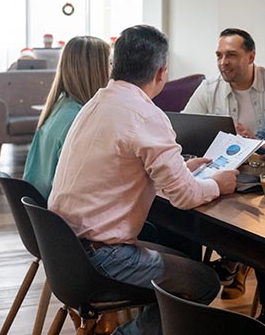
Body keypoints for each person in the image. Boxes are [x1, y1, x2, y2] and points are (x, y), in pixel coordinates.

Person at [49, 25, 238, 335]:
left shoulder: (94, 104)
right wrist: (219, 183)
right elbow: (185, 198)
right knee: (203, 282)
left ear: (114, 64)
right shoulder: (146, 115)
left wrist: (181, 169)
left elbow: (125, 169)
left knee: (179, 257)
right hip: (103, 259)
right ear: (162, 72)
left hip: (66, 251)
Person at [24, 36, 110, 199]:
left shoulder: (61, 107)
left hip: (41, 210)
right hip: (59, 215)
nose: (112, 71)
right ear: (96, 70)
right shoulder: (79, 119)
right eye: (110, 63)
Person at [183, 28, 265, 135]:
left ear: (251, 57)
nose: (223, 62)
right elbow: (183, 129)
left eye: (231, 55)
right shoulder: (208, 89)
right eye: (219, 56)